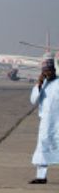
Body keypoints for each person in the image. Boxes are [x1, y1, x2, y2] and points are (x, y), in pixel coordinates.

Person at [29, 55, 59, 184]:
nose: (48, 72)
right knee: (42, 147)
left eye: (50, 70)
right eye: (46, 70)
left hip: (58, 121)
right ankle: (41, 177)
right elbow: (33, 100)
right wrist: (39, 84)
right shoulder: (42, 84)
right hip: (46, 122)